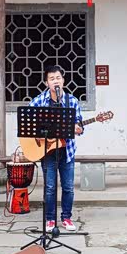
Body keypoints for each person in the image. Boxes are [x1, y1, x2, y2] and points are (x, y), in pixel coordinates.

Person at [29, 65, 84, 232]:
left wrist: (78, 128)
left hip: (67, 151)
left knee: (68, 187)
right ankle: (50, 219)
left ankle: (66, 218)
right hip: (47, 151)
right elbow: (27, 121)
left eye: (58, 78)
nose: (55, 81)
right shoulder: (39, 101)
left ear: (63, 81)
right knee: (50, 187)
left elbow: (80, 125)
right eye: (52, 79)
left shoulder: (72, 101)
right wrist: (37, 135)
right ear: (46, 83)